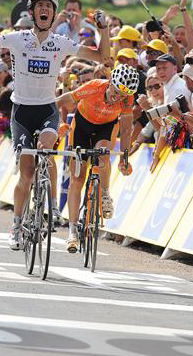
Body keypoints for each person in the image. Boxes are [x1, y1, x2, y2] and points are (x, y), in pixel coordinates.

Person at [0, 0, 110, 250]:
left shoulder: (61, 42)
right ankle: (17, 223)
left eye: (48, 7)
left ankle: (53, 205)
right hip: (21, 112)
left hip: (47, 110)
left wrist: (104, 29)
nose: (44, 10)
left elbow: (101, 57)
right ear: (32, 13)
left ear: (54, 14)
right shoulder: (17, 39)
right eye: (39, 6)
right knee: (26, 173)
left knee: (47, 150)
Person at [56, 64, 136, 252]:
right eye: (116, 92)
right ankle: (73, 231)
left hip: (105, 129)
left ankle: (105, 194)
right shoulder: (94, 86)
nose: (118, 98)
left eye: (123, 96)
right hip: (82, 127)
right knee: (77, 179)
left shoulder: (127, 100)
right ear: (110, 83)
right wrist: (59, 122)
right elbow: (61, 100)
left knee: (103, 156)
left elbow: (125, 129)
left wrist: (124, 157)